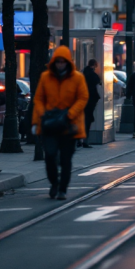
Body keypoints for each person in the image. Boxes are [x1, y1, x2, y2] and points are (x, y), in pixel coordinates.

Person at [32, 46, 89, 200]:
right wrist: (41, 116)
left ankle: (62, 189)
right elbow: (39, 99)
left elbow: (83, 97)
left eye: (63, 62)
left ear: (68, 63)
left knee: (65, 159)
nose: (60, 65)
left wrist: (70, 114)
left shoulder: (77, 78)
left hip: (69, 125)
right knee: (50, 156)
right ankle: (54, 183)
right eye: (58, 62)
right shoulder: (45, 77)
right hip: (50, 124)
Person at [81, 59, 101, 148]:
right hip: (90, 99)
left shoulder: (83, 73)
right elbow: (98, 82)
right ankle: (85, 140)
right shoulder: (93, 75)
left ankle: (79, 140)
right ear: (94, 65)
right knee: (88, 119)